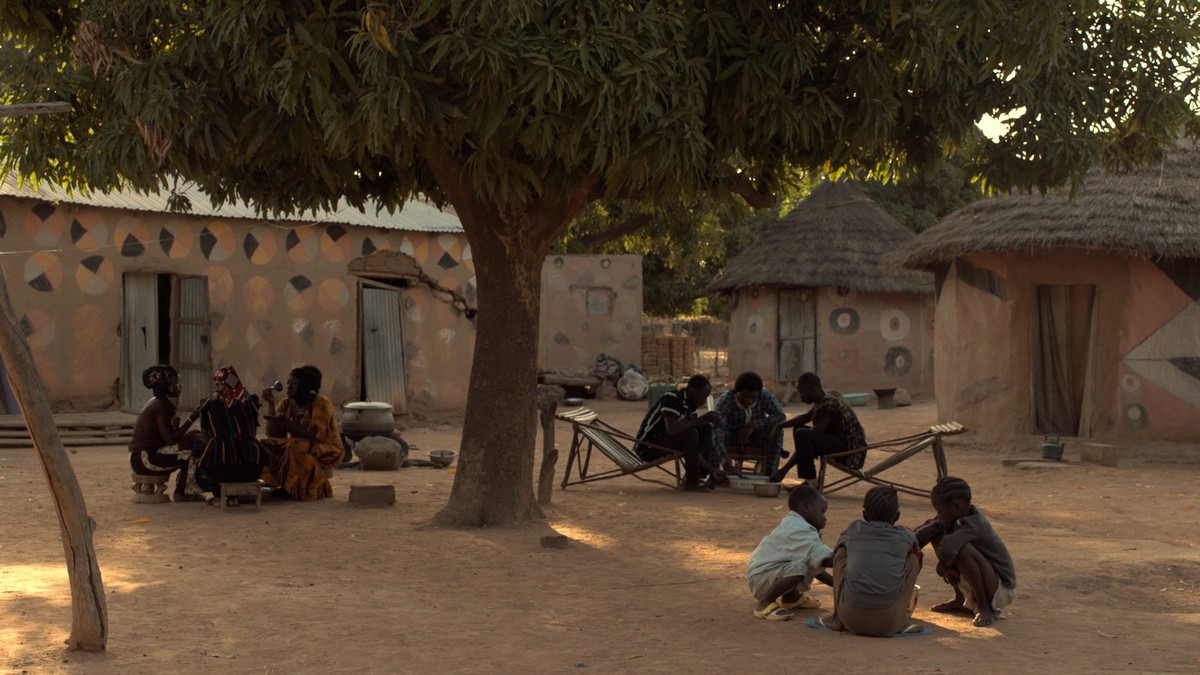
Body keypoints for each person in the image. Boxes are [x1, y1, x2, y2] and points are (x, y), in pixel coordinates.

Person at [818, 486, 924, 636]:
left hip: (850, 619)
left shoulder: (853, 530)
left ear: (864, 515)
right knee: (913, 559)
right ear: (897, 516)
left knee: (842, 553)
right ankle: (901, 621)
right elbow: (916, 553)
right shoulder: (905, 536)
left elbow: (833, 558)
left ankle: (837, 619)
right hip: (889, 624)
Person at [915, 476, 1016, 627]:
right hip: (979, 578)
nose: (939, 515)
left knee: (961, 549)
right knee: (937, 532)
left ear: (957, 506)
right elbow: (922, 534)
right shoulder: (950, 518)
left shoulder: (973, 524)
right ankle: (960, 600)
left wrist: (944, 568)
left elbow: (950, 546)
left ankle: (984, 606)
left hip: (999, 588)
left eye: (941, 511)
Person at [745, 485, 834, 620]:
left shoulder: (800, 526)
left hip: (768, 573)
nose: (825, 518)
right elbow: (825, 559)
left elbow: (816, 566)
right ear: (806, 508)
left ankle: (792, 598)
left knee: (801, 564)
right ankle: (765, 602)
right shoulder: (798, 529)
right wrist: (848, 560)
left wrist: (837, 584)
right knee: (798, 568)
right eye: (822, 511)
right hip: (762, 577)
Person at [259, 365, 343, 501]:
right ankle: (274, 484)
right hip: (299, 444)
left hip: (327, 449)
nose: (288, 386)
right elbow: (274, 435)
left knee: (296, 445)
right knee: (265, 444)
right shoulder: (286, 403)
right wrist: (271, 404)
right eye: (288, 383)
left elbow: (316, 436)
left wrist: (287, 423)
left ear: (305, 386)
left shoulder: (321, 403)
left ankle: (310, 490)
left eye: (294, 383)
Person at [769, 372, 866, 488]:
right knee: (799, 429)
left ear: (812, 389)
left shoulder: (829, 404)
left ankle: (811, 482)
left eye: (802, 393)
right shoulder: (825, 396)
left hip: (851, 453)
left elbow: (812, 437)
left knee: (803, 434)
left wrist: (783, 470)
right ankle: (809, 479)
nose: (801, 397)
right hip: (843, 444)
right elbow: (805, 418)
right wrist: (779, 426)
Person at [128, 365, 206, 502]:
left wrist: (177, 428)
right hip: (145, 460)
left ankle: (184, 489)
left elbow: (165, 436)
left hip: (138, 458)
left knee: (195, 436)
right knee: (196, 447)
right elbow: (170, 439)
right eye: (173, 381)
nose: (177, 385)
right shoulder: (162, 406)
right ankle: (184, 491)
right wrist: (193, 417)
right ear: (164, 384)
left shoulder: (156, 403)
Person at [194, 366, 271, 506]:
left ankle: (218, 496)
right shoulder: (250, 405)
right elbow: (252, 435)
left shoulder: (208, 406)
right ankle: (234, 498)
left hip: (219, 472)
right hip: (251, 470)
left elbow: (206, 439)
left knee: (203, 457)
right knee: (243, 452)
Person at [635, 374, 719, 492]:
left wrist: (711, 469)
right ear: (692, 391)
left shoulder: (691, 406)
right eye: (702, 397)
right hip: (648, 447)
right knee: (691, 432)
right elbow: (672, 429)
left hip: (665, 442)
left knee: (705, 428)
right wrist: (701, 419)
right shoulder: (671, 398)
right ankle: (692, 482)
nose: (703, 401)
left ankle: (699, 475)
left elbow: (694, 446)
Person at [710, 371, 787, 475]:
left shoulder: (764, 395)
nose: (749, 401)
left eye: (753, 397)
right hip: (731, 437)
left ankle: (770, 474)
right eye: (745, 397)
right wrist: (723, 454)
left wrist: (754, 425)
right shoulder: (726, 400)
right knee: (712, 433)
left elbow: (780, 416)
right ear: (737, 392)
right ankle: (715, 475)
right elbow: (717, 427)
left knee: (777, 430)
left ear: (759, 394)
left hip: (756, 437)